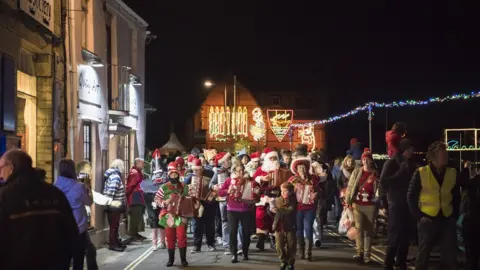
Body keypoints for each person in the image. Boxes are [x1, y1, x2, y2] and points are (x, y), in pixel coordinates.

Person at [0, 149, 78, 269]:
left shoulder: (4, 196)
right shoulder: (55, 194)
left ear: (10, 167)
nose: (0, 174)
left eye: (1, 168)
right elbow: (71, 232)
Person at [407, 141, 462, 270]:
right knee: (423, 255)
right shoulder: (421, 172)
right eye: (443, 154)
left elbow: (456, 196)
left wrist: (454, 215)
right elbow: (411, 197)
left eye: (446, 153)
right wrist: (419, 217)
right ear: (433, 156)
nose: (446, 156)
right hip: (427, 219)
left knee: (450, 256)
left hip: (447, 219)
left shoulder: (452, 172)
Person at [55, 158, 98, 270]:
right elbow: (89, 202)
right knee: (78, 261)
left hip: (60, 229)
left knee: (63, 261)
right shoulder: (79, 187)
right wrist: (88, 187)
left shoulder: (54, 186)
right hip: (78, 228)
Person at [380, 138, 416, 270]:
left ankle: (401, 261)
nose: (413, 151)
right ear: (406, 149)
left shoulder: (411, 163)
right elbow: (384, 182)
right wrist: (399, 174)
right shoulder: (392, 162)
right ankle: (388, 262)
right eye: (411, 149)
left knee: (405, 235)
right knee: (394, 234)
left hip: (408, 203)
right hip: (395, 202)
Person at [214, 162, 260, 263]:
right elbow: (220, 192)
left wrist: (256, 191)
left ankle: (245, 252)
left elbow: (257, 189)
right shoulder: (229, 180)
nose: (241, 172)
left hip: (246, 210)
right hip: (232, 210)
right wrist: (228, 191)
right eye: (238, 171)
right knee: (232, 232)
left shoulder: (249, 180)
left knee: (246, 232)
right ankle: (234, 254)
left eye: (242, 170)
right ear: (234, 171)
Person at [345, 148, 380, 264]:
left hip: (370, 205)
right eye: (363, 159)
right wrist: (348, 201)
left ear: (371, 160)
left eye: (367, 159)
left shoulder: (375, 174)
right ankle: (359, 252)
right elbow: (350, 187)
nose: (365, 161)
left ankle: (367, 255)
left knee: (368, 231)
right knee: (359, 229)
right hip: (358, 204)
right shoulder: (357, 172)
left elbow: (380, 190)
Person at [155, 162, 190, 267]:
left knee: (181, 236)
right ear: (168, 175)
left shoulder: (184, 186)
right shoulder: (164, 187)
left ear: (178, 174)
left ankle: (183, 260)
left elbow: (189, 198)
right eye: (171, 174)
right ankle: (171, 260)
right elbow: (157, 199)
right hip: (168, 215)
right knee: (170, 237)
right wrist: (163, 203)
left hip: (181, 215)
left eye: (175, 174)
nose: (173, 176)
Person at [288, 156, 318, 261]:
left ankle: (308, 252)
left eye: (304, 167)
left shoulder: (313, 178)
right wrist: (293, 191)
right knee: (299, 230)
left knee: (308, 228)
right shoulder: (292, 179)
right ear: (296, 169)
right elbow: (285, 192)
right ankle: (300, 251)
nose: (302, 169)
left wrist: (316, 194)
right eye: (300, 167)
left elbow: (321, 190)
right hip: (297, 208)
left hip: (310, 207)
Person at [185, 158, 216, 253]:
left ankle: (210, 244)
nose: (195, 171)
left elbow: (215, 185)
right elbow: (184, 189)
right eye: (193, 170)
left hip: (209, 203)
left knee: (209, 225)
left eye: (197, 170)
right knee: (197, 225)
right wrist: (189, 190)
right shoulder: (190, 177)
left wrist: (212, 196)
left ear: (201, 168)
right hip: (197, 203)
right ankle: (196, 245)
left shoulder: (210, 174)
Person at [252, 148, 281, 251]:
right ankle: (261, 239)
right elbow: (254, 181)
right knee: (260, 217)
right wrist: (261, 179)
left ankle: (274, 240)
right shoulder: (261, 169)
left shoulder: (281, 169)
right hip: (264, 197)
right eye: (271, 158)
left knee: (274, 218)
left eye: (275, 158)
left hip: (277, 197)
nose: (273, 160)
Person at [268, 182, 297, 270]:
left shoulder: (293, 201)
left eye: (285, 191)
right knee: (279, 246)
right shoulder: (276, 200)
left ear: (291, 192)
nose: (283, 193)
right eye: (282, 191)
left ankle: (290, 262)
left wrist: (278, 209)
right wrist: (270, 210)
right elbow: (270, 213)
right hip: (278, 226)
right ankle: (283, 260)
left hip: (290, 225)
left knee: (291, 245)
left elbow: (289, 210)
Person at [103, 159, 127, 251]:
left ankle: (116, 242)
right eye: (123, 166)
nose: (124, 168)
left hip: (113, 205)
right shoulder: (115, 177)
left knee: (114, 225)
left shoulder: (113, 175)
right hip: (114, 205)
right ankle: (113, 244)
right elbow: (111, 191)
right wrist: (110, 202)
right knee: (114, 226)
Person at [126, 158, 147, 241]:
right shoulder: (135, 173)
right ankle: (132, 234)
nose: (143, 165)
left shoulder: (137, 172)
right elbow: (131, 186)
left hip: (138, 195)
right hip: (135, 196)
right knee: (135, 216)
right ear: (137, 163)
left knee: (138, 216)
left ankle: (135, 233)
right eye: (142, 163)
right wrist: (127, 195)